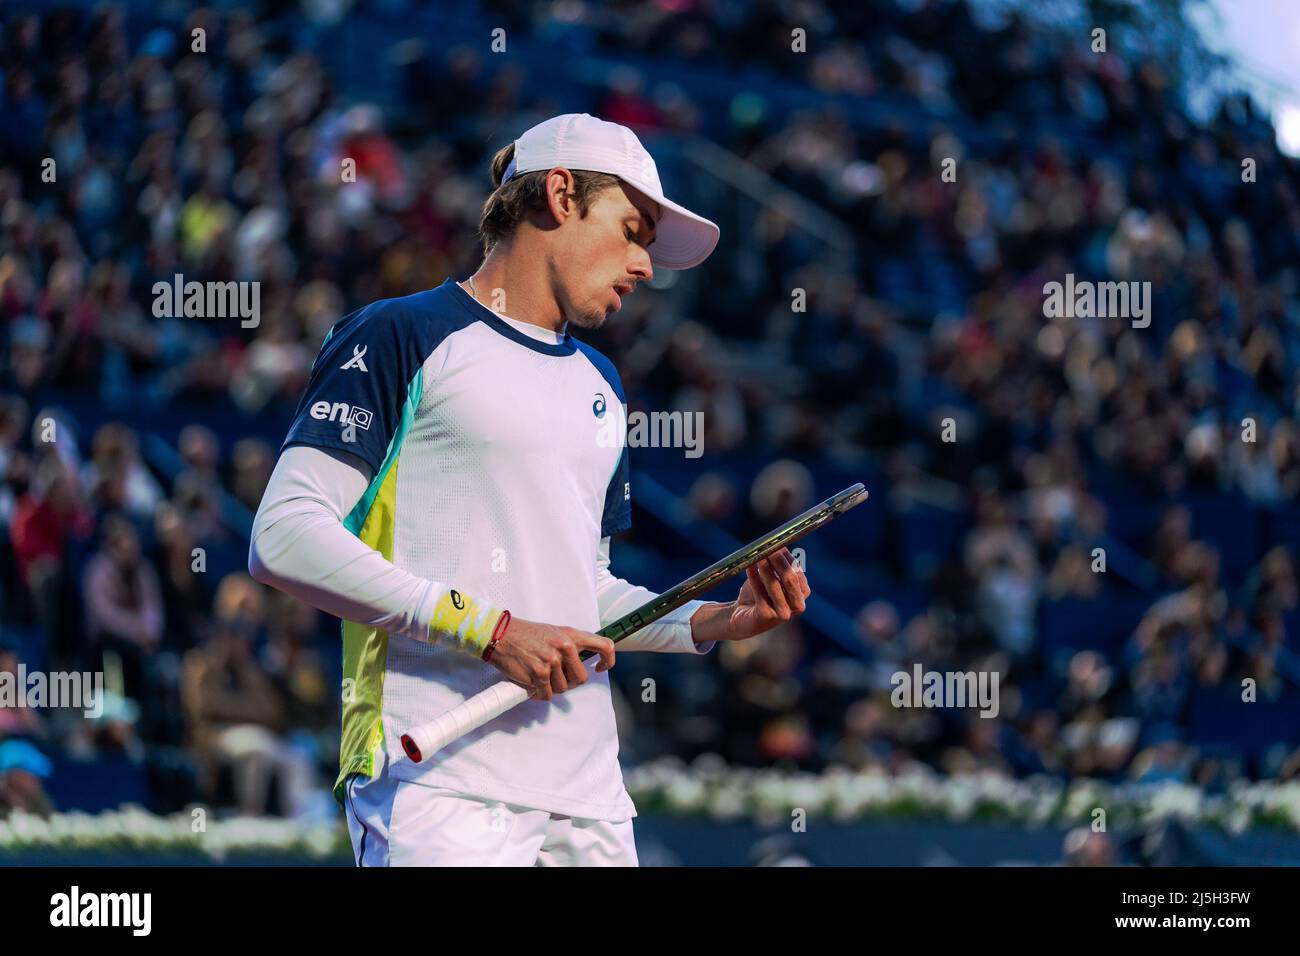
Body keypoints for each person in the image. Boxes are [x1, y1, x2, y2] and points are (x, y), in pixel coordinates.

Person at [249, 113, 812, 865]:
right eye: (634, 230)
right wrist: (491, 630)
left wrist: (717, 621)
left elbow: (584, 597)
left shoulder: (604, 386)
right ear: (559, 195)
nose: (647, 266)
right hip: (433, 782)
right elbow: (283, 536)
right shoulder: (398, 334)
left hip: (590, 800)